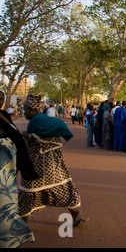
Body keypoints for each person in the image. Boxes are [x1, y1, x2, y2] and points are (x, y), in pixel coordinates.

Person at [19, 94, 84, 227]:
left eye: (25, 110)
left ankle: (21, 225)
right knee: (63, 188)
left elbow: (34, 139)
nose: (24, 113)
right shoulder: (44, 121)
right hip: (54, 167)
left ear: (31, 110)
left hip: (37, 167)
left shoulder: (35, 121)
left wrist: (25, 134)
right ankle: (75, 213)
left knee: (27, 193)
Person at [0, 79, 38, 248]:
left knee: (5, 202)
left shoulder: (4, 115)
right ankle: (9, 240)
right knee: (5, 205)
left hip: (8, 170)